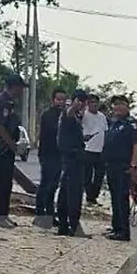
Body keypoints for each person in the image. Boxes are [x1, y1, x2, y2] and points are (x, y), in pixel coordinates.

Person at [0, 73, 27, 229]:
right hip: (1, 148)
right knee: (3, 183)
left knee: (7, 183)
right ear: (14, 86)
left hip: (5, 148)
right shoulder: (3, 101)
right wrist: (12, 145)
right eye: (20, 87)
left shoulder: (8, 101)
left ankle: (3, 215)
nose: (22, 91)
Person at [103, 95, 137, 242]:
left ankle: (123, 231)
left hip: (123, 166)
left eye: (121, 104)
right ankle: (116, 227)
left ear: (127, 106)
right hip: (111, 165)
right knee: (114, 197)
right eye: (115, 105)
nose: (117, 107)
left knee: (121, 198)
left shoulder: (131, 124)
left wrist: (133, 166)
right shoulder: (114, 123)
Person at [56, 90, 90, 237]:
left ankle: (64, 225)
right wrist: (75, 106)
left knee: (64, 194)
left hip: (72, 158)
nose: (82, 104)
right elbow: (69, 113)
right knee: (74, 195)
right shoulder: (68, 113)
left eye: (84, 101)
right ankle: (74, 227)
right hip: (73, 159)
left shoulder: (74, 116)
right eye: (79, 100)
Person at [34, 88, 66, 228]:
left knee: (53, 186)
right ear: (53, 99)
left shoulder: (65, 114)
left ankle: (50, 215)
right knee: (45, 185)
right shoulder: (47, 114)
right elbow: (54, 130)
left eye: (63, 99)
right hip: (47, 154)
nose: (61, 102)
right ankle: (39, 215)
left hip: (59, 155)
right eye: (58, 99)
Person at [82, 93, 108, 206]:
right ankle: (89, 196)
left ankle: (94, 196)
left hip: (100, 151)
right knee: (87, 176)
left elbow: (105, 131)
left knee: (99, 176)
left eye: (96, 102)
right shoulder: (84, 115)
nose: (94, 105)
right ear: (88, 103)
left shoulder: (102, 117)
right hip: (88, 149)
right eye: (92, 102)